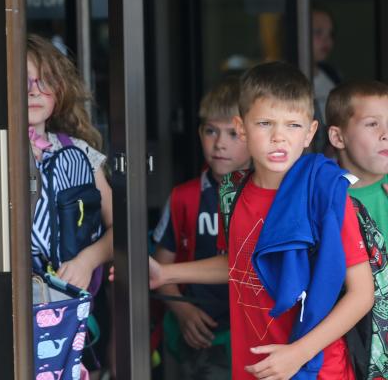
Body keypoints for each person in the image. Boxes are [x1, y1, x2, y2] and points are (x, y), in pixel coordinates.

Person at [149, 61, 373, 379]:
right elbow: (241, 264)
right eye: (265, 123)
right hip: (253, 365)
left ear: (310, 132)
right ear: (242, 128)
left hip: (317, 367)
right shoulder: (237, 194)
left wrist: (298, 353)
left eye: (293, 126)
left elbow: (362, 293)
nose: (279, 137)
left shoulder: (323, 193)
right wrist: (165, 273)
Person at [151, 77, 250, 379]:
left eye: (234, 133)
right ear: (199, 133)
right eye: (211, 131)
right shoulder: (185, 197)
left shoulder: (265, 197)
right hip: (202, 333)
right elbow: (159, 270)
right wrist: (182, 312)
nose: (220, 143)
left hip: (252, 331)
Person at [27, 33, 113, 292]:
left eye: (45, 81)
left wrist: (87, 261)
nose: (34, 91)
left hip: (68, 294)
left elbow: (121, 226)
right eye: (23, 81)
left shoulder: (78, 151)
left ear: (59, 89)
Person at [326, 81, 388, 379]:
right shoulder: (323, 198)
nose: (385, 134)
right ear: (338, 136)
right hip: (346, 354)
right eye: (372, 124)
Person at [312, 7, 342, 154]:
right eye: (318, 32)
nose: (326, 40)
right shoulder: (288, 80)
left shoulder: (332, 74)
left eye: (330, 34)